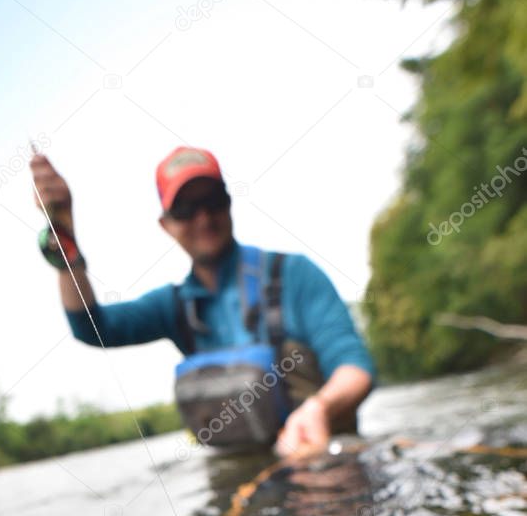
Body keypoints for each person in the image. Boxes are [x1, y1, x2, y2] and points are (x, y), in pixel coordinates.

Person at [30, 145, 375, 456]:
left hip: (320, 458)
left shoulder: (295, 275)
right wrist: (64, 240)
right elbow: (91, 327)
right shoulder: (174, 306)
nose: (204, 218)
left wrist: (320, 408)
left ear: (228, 202)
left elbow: (354, 367)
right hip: (235, 477)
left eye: (213, 201)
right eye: (185, 209)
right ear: (166, 225)